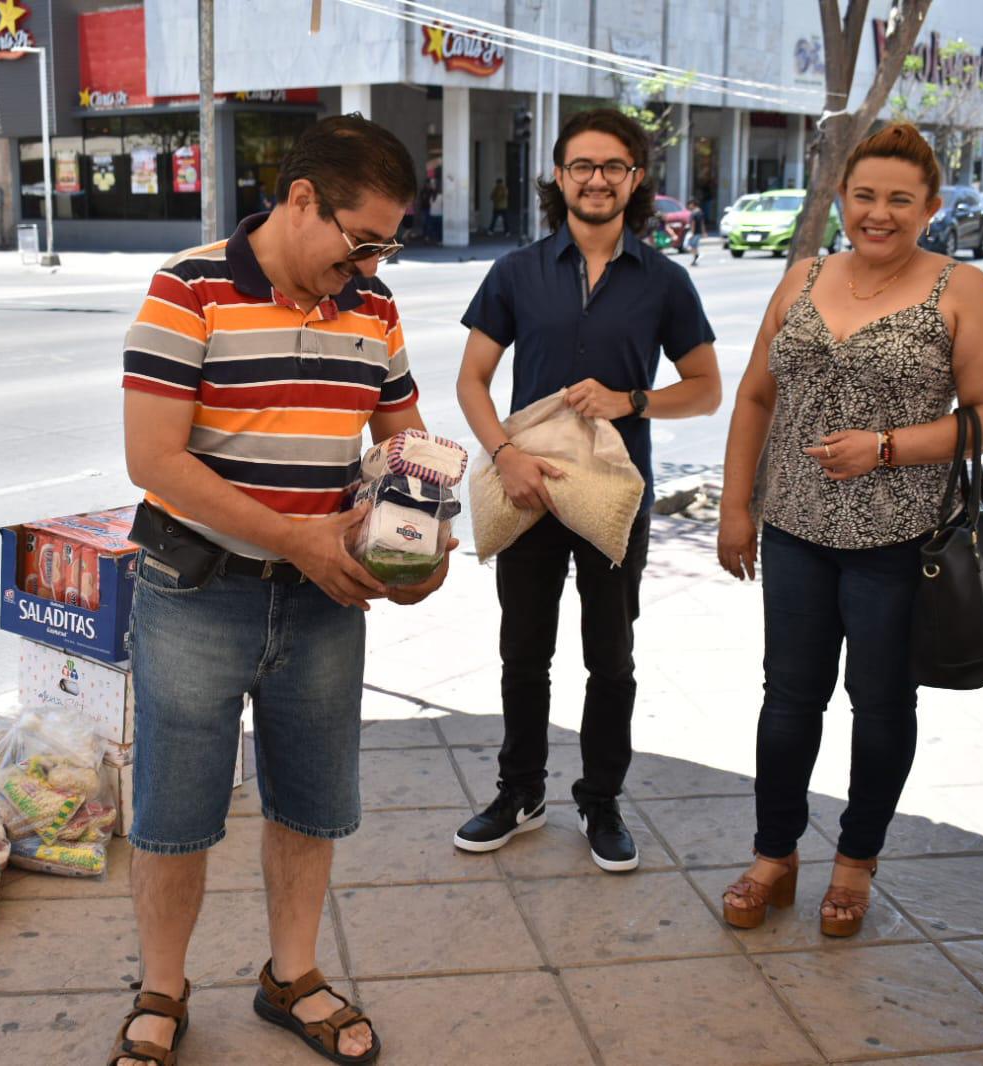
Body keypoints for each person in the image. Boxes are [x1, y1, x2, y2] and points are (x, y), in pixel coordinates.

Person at [112, 114, 448, 1066]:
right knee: (174, 812)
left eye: (387, 245)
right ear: (301, 200)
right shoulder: (189, 289)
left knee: (310, 799)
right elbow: (154, 461)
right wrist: (295, 538)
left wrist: (422, 540)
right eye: (361, 240)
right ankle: (162, 988)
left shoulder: (372, 308)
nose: (373, 263)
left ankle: (289, 974)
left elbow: (403, 445)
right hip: (197, 591)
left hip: (324, 598)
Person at [715, 123, 983, 937]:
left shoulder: (960, 290)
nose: (877, 214)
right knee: (786, 703)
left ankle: (854, 865)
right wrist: (735, 507)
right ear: (843, 197)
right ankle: (772, 855)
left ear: (929, 207)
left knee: (880, 706)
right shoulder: (803, 276)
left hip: (901, 542)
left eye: (897, 199)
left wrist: (885, 449)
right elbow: (754, 397)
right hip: (792, 529)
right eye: (864, 195)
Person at [453, 108, 722, 871]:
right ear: (558, 176)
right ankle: (519, 793)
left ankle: (600, 801)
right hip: (528, 488)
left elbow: (704, 389)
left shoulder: (663, 281)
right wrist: (502, 453)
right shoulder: (514, 273)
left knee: (611, 658)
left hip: (610, 496)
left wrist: (631, 400)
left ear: (634, 180)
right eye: (581, 166)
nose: (595, 179)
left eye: (612, 167)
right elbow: (472, 380)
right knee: (522, 653)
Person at [685, 198, 705, 265]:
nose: (689, 206)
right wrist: (703, 232)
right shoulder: (700, 212)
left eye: (690, 205)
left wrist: (692, 233)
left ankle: (696, 256)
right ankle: (695, 258)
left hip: (694, 232)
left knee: (687, 245)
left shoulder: (694, 213)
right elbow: (702, 223)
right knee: (694, 246)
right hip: (698, 233)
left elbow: (693, 224)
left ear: (693, 204)